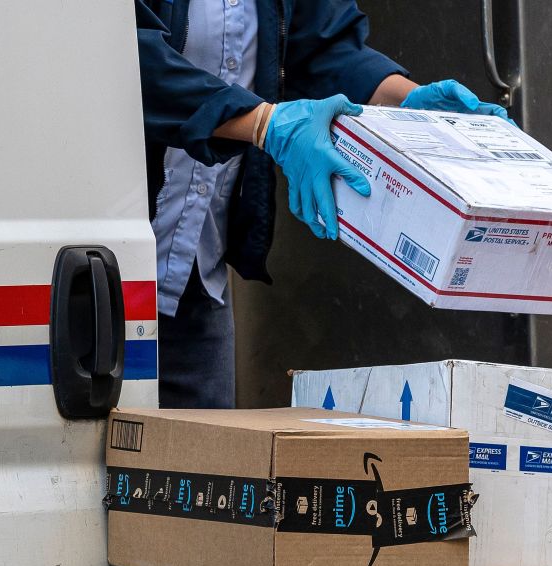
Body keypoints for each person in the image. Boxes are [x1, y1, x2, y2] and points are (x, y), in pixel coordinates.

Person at [136, 0, 510, 409]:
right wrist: (263, 123)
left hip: (193, 278)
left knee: (190, 468)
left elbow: (318, 49)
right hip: (93, 275)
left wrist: (408, 103)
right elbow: (123, 60)